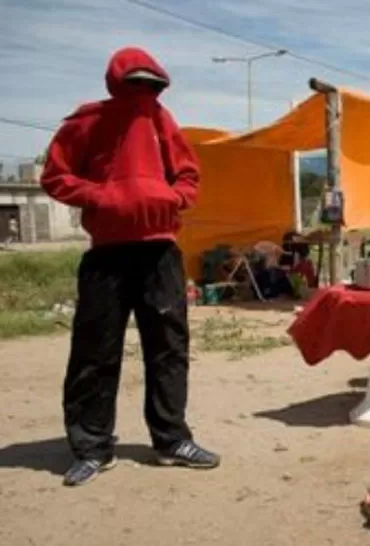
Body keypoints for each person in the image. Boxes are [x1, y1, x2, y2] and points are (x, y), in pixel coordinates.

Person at [41, 47, 220, 487]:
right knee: (94, 351)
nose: (142, 91)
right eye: (134, 82)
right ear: (116, 81)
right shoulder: (87, 122)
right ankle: (92, 448)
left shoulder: (164, 120)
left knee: (169, 348)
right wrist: (102, 197)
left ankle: (171, 441)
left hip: (160, 252)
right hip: (106, 254)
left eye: (149, 83)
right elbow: (55, 176)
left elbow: (189, 176)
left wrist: (171, 198)